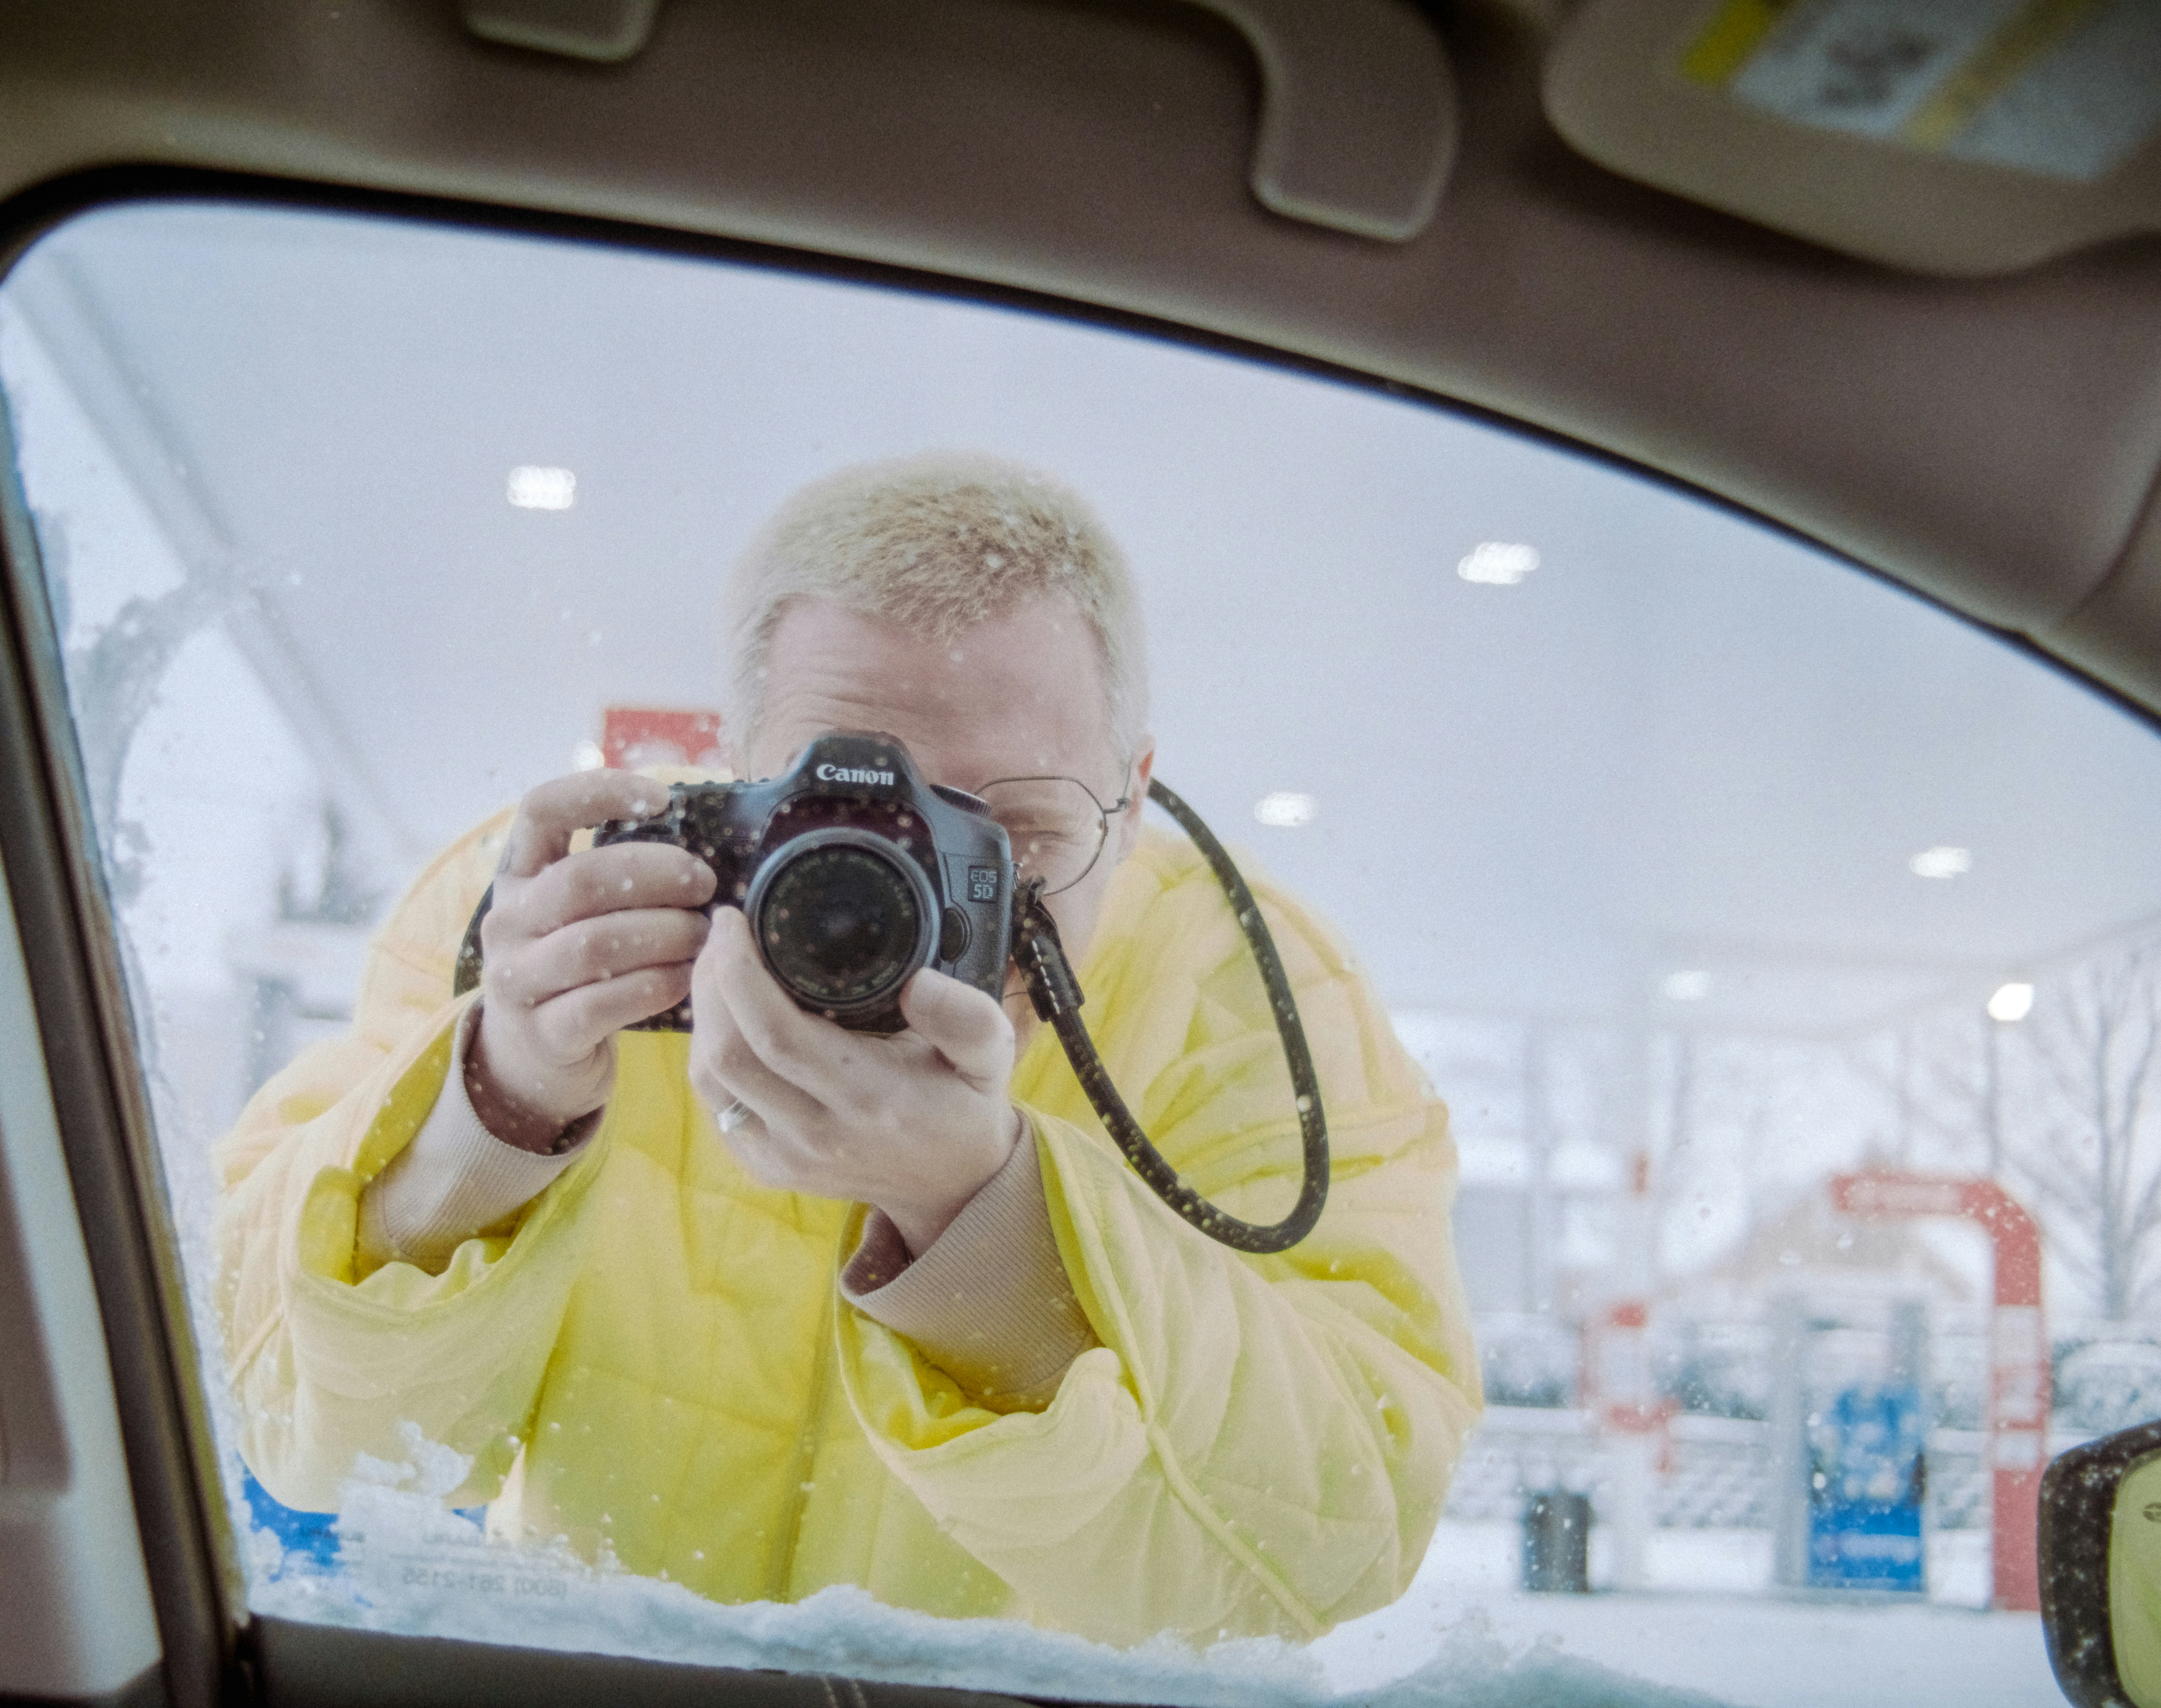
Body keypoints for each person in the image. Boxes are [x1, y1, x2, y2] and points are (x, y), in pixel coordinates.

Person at [213, 454, 1479, 1645]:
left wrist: (980, 1217)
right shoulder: (562, 918)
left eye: (1015, 829)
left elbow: (1332, 1554)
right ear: (736, 768)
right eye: (849, 818)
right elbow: (321, 1449)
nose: (920, 898)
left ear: (1135, 792)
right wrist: (500, 1108)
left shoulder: (1256, 1003)